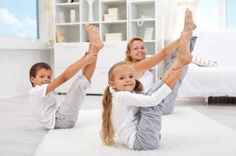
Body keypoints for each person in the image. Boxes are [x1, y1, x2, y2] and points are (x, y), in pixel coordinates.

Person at [100, 31, 192, 150]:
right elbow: (153, 101)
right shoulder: (121, 95)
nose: (128, 80)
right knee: (152, 101)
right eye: (122, 78)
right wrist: (174, 76)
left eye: (131, 77)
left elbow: (151, 93)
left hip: (145, 136)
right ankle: (179, 62)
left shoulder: (120, 93)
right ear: (112, 83)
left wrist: (175, 70)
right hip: (142, 141)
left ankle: (179, 62)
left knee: (149, 95)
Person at [28, 25, 104, 129]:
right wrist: (86, 59)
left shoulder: (40, 90)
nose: (46, 79)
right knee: (78, 85)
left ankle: (94, 48)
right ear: (33, 79)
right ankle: (95, 49)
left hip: (61, 117)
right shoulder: (37, 91)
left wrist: (86, 57)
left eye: (49, 77)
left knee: (81, 82)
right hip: (61, 120)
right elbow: (64, 77)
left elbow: (64, 76)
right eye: (42, 76)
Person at [124, 8, 197, 115]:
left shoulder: (144, 68)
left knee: (172, 65)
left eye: (142, 47)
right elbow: (163, 54)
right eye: (135, 49)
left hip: (156, 102)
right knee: (176, 67)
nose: (140, 50)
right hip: (151, 106)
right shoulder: (133, 67)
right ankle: (186, 32)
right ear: (129, 53)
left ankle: (187, 34)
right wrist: (183, 38)